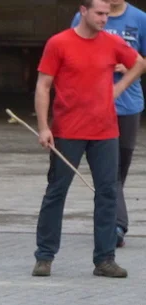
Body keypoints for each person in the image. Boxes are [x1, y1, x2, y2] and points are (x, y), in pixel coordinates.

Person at [33, 0, 146, 279]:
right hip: (67, 131)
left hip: (105, 132)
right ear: (83, 11)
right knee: (56, 192)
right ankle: (45, 256)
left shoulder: (112, 43)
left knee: (107, 193)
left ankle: (105, 259)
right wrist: (44, 127)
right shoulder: (59, 43)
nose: (105, 19)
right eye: (99, 13)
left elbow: (139, 63)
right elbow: (43, 86)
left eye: (107, 14)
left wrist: (118, 88)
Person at [73, 0, 146, 248]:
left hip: (128, 106)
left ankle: (108, 220)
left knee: (118, 171)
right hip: (94, 105)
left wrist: (130, 64)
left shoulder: (140, 19)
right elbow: (73, 53)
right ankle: (117, 226)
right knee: (109, 170)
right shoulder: (84, 17)